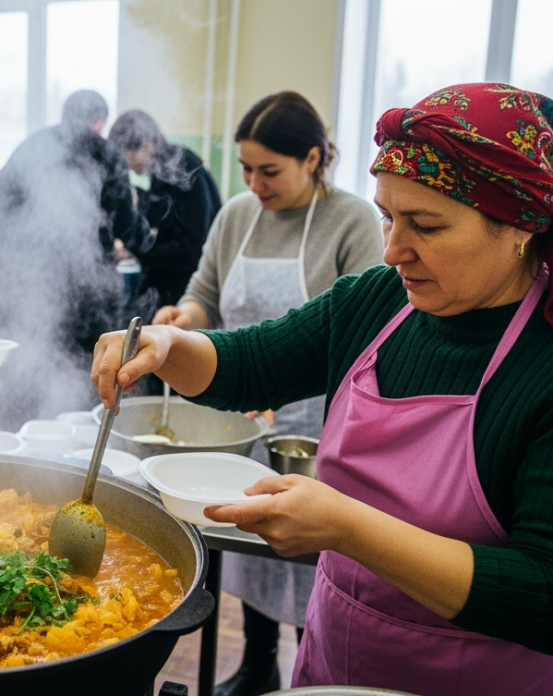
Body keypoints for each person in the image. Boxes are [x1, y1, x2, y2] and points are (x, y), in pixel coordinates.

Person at [94, 83, 553, 696]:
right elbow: (248, 364)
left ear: (521, 226)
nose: (393, 250)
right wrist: (168, 346)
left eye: (425, 226)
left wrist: (346, 527)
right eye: (388, 216)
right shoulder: (377, 302)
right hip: (343, 662)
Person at [152, 92, 382, 696]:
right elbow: (205, 292)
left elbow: (369, 335)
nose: (254, 184)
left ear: (313, 159)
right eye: (246, 169)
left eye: (269, 171)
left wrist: (282, 376)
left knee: (314, 555)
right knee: (252, 545)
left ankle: (315, 672)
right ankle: (258, 666)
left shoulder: (352, 220)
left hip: (322, 426)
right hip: (245, 414)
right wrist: (184, 318)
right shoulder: (236, 215)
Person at [0, 90, 152, 428]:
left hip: (20, 289)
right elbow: (126, 226)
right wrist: (146, 240)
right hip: (83, 300)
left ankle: (12, 447)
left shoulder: (34, 144)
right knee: (79, 384)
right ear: (100, 122)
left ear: (64, 114)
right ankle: (74, 453)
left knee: (23, 373)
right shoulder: (104, 151)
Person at [108, 109, 223, 312]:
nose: (126, 166)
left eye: (126, 156)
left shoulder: (181, 166)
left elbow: (191, 249)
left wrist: (138, 250)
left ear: (146, 142)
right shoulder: (161, 172)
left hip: (188, 290)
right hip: (173, 284)